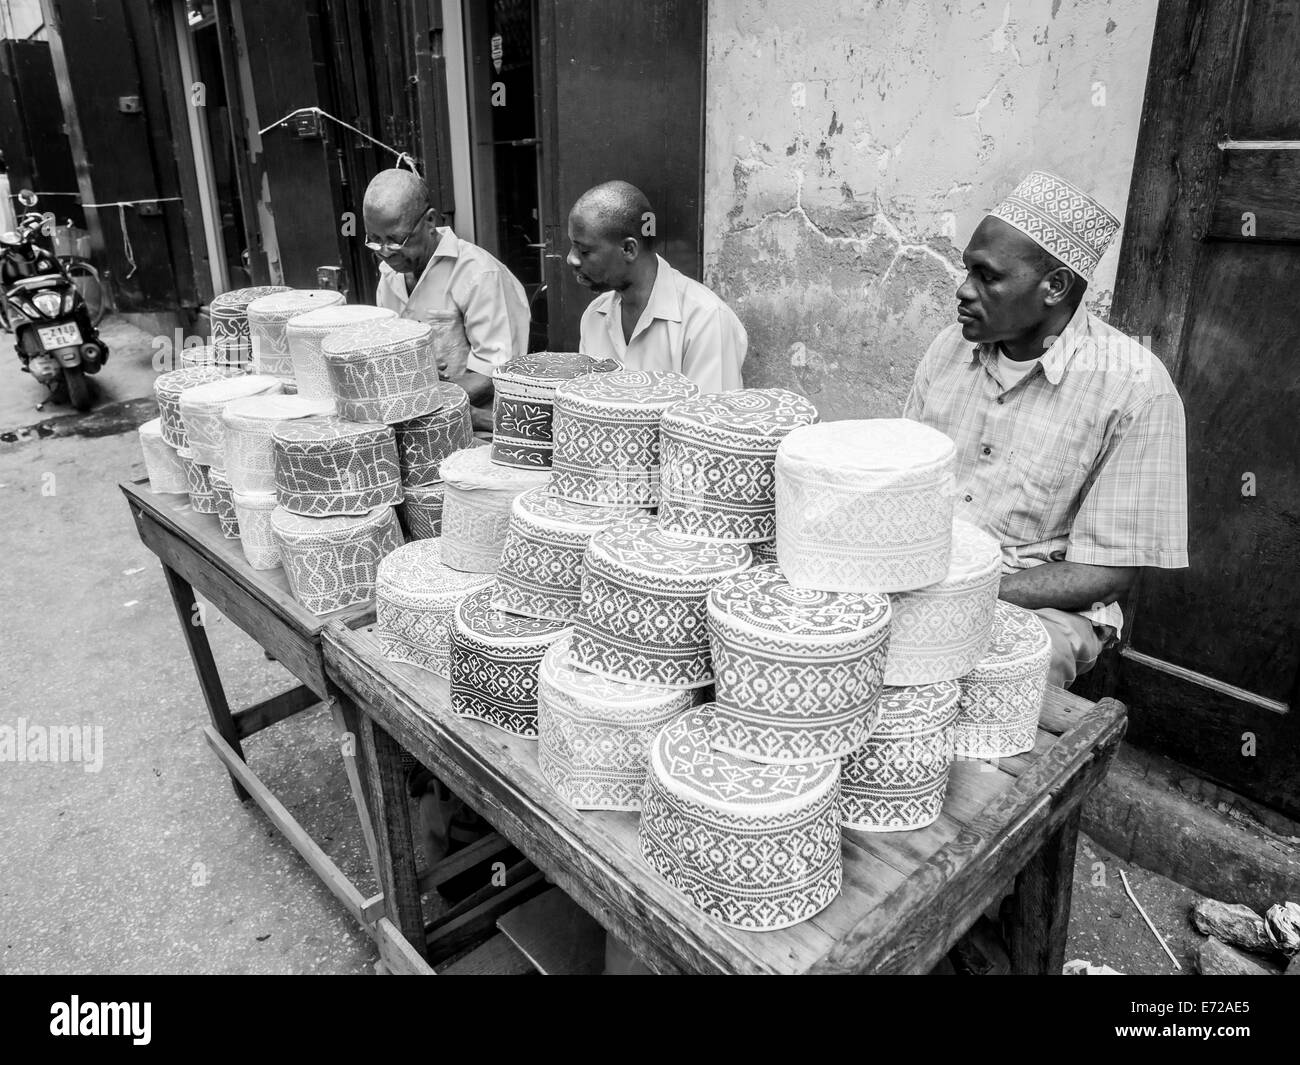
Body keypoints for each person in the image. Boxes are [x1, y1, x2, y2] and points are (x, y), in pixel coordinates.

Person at [903, 170, 1188, 688]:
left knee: (996, 674)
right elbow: (905, 479)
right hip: (926, 573)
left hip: (1039, 604)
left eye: (987, 277)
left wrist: (961, 594)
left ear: (1054, 286)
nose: (963, 291)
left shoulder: (1134, 388)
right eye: (968, 270)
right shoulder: (949, 348)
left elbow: (1106, 573)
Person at [364, 168, 530, 433]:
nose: (385, 252)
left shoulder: (479, 274)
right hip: (414, 425)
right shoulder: (389, 275)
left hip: (480, 431)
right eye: (374, 240)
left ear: (430, 221)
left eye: (396, 240)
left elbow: (496, 373)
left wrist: (423, 392)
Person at [567, 180, 747, 394]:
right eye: (572, 246)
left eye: (584, 251)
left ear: (628, 249)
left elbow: (710, 420)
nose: (572, 259)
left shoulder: (706, 320)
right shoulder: (594, 316)